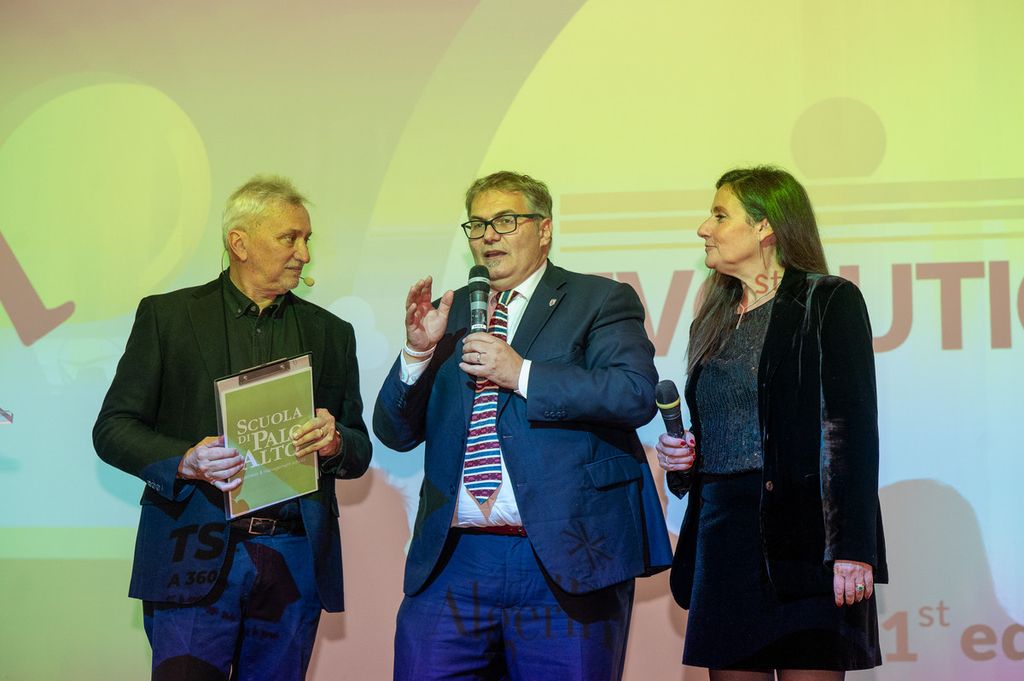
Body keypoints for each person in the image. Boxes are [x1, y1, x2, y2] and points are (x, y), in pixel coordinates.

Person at [374, 170, 672, 681]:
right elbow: (395, 433)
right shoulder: (452, 313)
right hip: (455, 558)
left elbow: (633, 393)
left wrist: (522, 374)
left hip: (565, 557)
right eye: (477, 225)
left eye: (506, 221)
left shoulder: (598, 300)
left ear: (545, 228)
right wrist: (418, 352)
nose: (489, 236)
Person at [93, 175, 371, 681]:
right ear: (239, 243)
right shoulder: (168, 317)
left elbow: (358, 448)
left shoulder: (332, 333)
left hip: (293, 555)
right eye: (289, 238)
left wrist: (334, 443)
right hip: (190, 551)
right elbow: (113, 429)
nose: (304, 254)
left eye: (307, 239)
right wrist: (185, 461)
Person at [655, 166, 887, 680]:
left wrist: (853, 549)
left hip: (808, 541)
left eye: (720, 216)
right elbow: (723, 431)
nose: (703, 228)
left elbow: (851, 428)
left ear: (765, 226)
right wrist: (684, 459)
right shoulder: (711, 319)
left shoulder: (827, 300)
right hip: (723, 541)